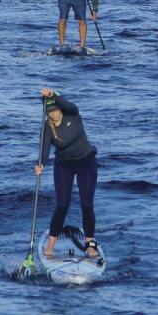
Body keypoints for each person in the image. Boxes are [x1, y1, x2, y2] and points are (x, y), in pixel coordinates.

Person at [33, 87, 100, 259]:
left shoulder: (73, 115)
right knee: (62, 205)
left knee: (86, 204)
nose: (53, 114)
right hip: (64, 165)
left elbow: (70, 105)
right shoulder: (47, 127)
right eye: (49, 112)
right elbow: (45, 149)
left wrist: (54, 95)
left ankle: (90, 244)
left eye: (55, 110)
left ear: (59, 108)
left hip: (86, 162)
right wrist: (40, 164)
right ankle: (51, 245)